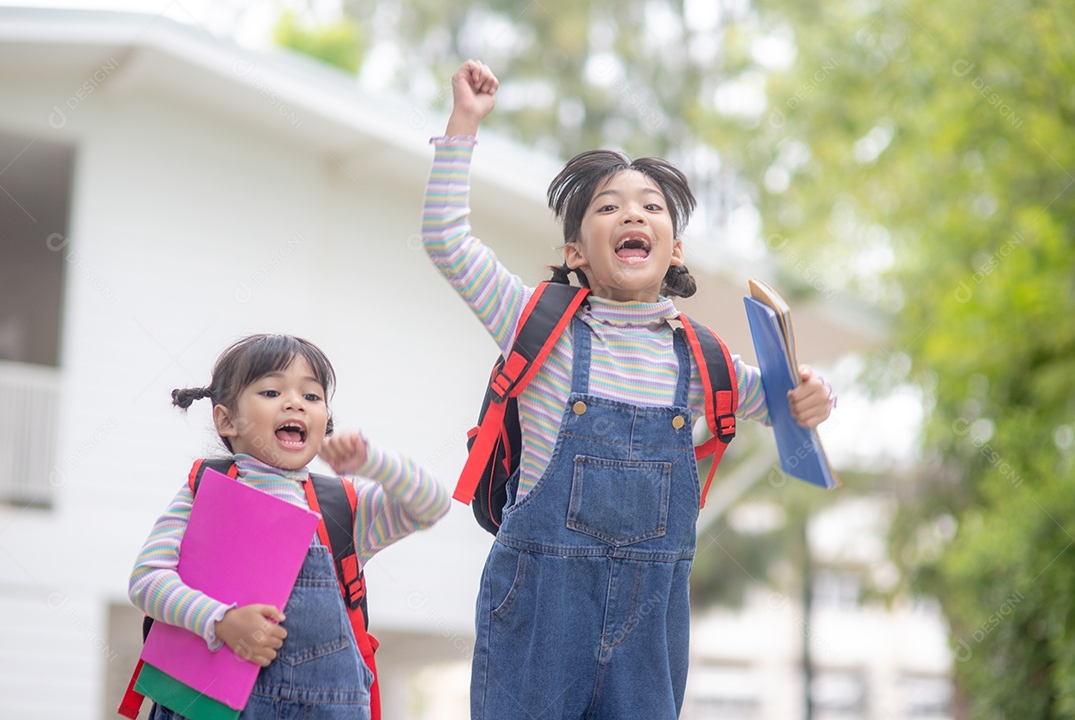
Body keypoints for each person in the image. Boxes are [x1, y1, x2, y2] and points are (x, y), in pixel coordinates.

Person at [422, 60, 836, 719]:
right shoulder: (533, 322)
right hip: (543, 606)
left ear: (675, 251)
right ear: (577, 251)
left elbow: (792, 400)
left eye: (650, 208)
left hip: (650, 620)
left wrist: (819, 392)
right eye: (607, 208)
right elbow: (445, 239)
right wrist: (464, 124)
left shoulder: (702, 357)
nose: (631, 214)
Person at [127, 333, 449, 720]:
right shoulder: (204, 491)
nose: (295, 402)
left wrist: (374, 462)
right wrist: (221, 621)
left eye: (311, 396)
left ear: (325, 420)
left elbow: (431, 504)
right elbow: (147, 579)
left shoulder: (343, 508)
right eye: (271, 392)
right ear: (227, 419)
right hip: (211, 704)